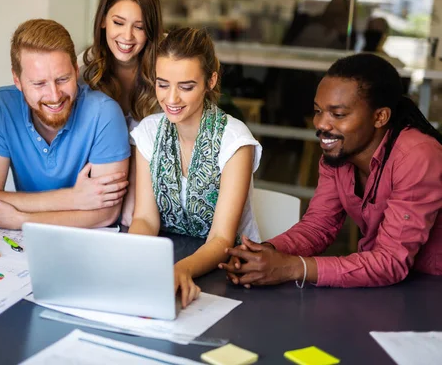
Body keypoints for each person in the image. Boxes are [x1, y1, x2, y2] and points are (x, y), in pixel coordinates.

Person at [221, 53, 442, 288]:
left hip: (430, 286)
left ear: (380, 117)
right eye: (318, 111)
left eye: (338, 115)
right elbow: (319, 227)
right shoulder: (339, 152)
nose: (321, 124)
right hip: (390, 284)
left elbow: (389, 262)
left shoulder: (418, 156)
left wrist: (292, 267)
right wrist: (264, 254)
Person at [129, 28, 262, 307]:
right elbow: (145, 218)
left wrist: (179, 270)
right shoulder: (149, 132)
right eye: (162, 84)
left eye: (186, 86)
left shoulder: (235, 141)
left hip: (228, 272)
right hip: (166, 260)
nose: (172, 99)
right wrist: (133, 259)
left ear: (210, 81)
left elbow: (221, 238)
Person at [0, 19, 130, 230]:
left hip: (89, 240)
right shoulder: (1, 105)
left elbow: (106, 213)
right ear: (17, 81)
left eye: (63, 79)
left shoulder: (104, 113)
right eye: (39, 84)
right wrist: (72, 199)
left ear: (75, 70)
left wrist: (22, 220)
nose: (54, 96)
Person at [81, 0, 164, 225]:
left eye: (139, 27)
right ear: (103, 20)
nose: (127, 37)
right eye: (119, 22)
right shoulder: (83, 69)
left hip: (155, 201)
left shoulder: (166, 68)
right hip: (98, 198)